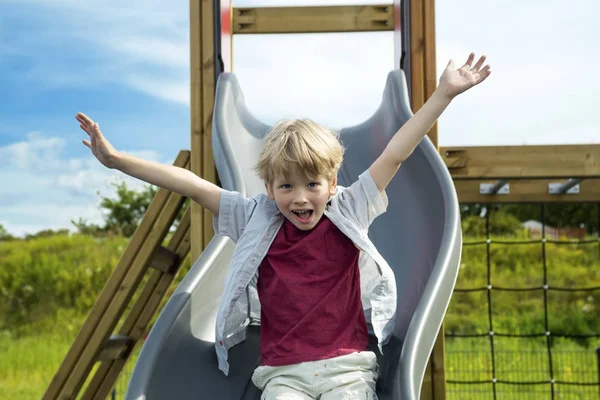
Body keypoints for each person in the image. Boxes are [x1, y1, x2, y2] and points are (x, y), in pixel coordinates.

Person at [78, 53, 491, 399]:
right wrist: (118, 161)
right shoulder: (255, 217)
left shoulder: (350, 208)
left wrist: (443, 94)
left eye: (313, 184)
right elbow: (191, 184)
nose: (300, 197)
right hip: (283, 374)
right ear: (268, 187)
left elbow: (396, 152)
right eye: (287, 186)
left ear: (332, 184)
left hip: (347, 369)